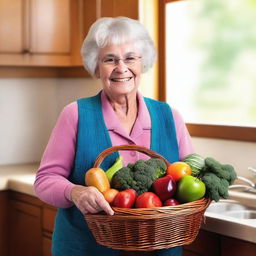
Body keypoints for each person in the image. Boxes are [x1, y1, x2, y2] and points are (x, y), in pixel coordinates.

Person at [34, 16, 194, 256]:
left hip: (160, 249)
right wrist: (74, 192)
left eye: (130, 57)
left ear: (143, 63)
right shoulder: (75, 114)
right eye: (110, 59)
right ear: (96, 67)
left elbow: (192, 178)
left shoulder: (170, 116)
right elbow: (45, 180)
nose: (122, 68)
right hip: (86, 247)